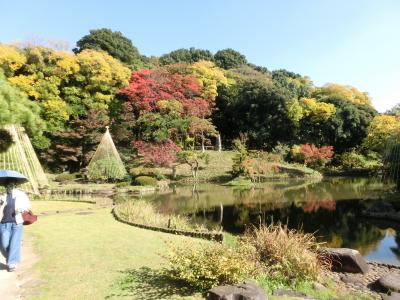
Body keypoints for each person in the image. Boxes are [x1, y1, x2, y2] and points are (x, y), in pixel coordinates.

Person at [0, 181, 31, 272]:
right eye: (7, 185)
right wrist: (2, 205)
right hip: (3, 223)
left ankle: (12, 263)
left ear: (14, 185)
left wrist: (21, 209)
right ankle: (11, 257)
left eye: (11, 185)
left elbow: (28, 206)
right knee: (4, 244)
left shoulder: (21, 195)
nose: (9, 187)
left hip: (17, 222)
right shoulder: (2, 196)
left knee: (14, 242)